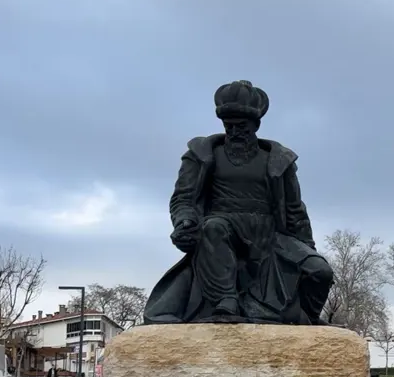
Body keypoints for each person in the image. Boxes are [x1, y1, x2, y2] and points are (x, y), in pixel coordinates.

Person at [143, 80, 334, 325]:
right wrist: (185, 221)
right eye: (229, 126)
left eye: (241, 126)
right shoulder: (201, 154)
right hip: (221, 229)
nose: (234, 132)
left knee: (320, 271)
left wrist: (307, 248)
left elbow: (295, 210)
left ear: (256, 125)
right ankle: (226, 300)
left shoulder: (279, 160)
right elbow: (184, 198)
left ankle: (306, 317)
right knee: (213, 227)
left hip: (269, 236)